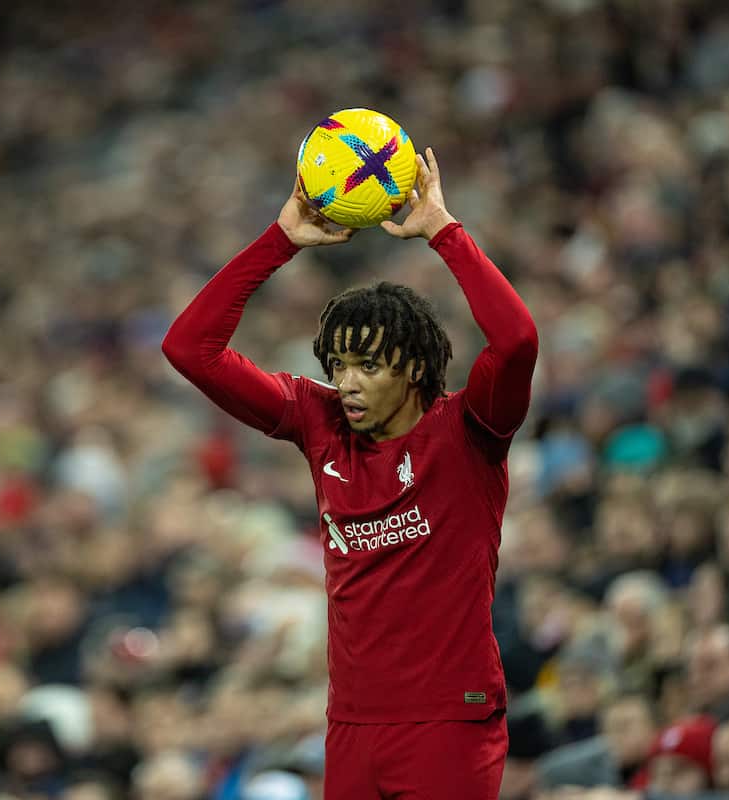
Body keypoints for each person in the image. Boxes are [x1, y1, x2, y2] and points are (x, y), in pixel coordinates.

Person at [162, 147, 538, 800]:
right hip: (352, 726)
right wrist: (278, 242)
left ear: (415, 366)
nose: (347, 382)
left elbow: (518, 342)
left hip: (448, 719)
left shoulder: (471, 429)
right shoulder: (321, 422)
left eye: (368, 364)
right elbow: (189, 348)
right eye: (337, 365)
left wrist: (444, 233)